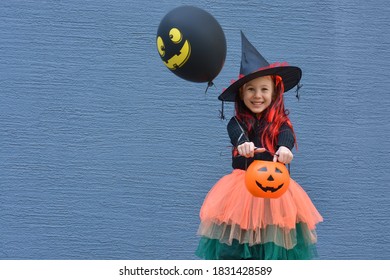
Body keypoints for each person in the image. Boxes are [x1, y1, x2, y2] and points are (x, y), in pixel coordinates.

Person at [195, 31, 323, 260]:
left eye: (264, 89)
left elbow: (286, 136)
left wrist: (284, 149)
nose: (257, 96)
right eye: (251, 90)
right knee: (238, 245)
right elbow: (237, 133)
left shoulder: (281, 123)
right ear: (242, 94)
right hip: (241, 192)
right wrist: (242, 143)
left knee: (274, 245)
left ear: (274, 93)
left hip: (277, 196)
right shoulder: (237, 122)